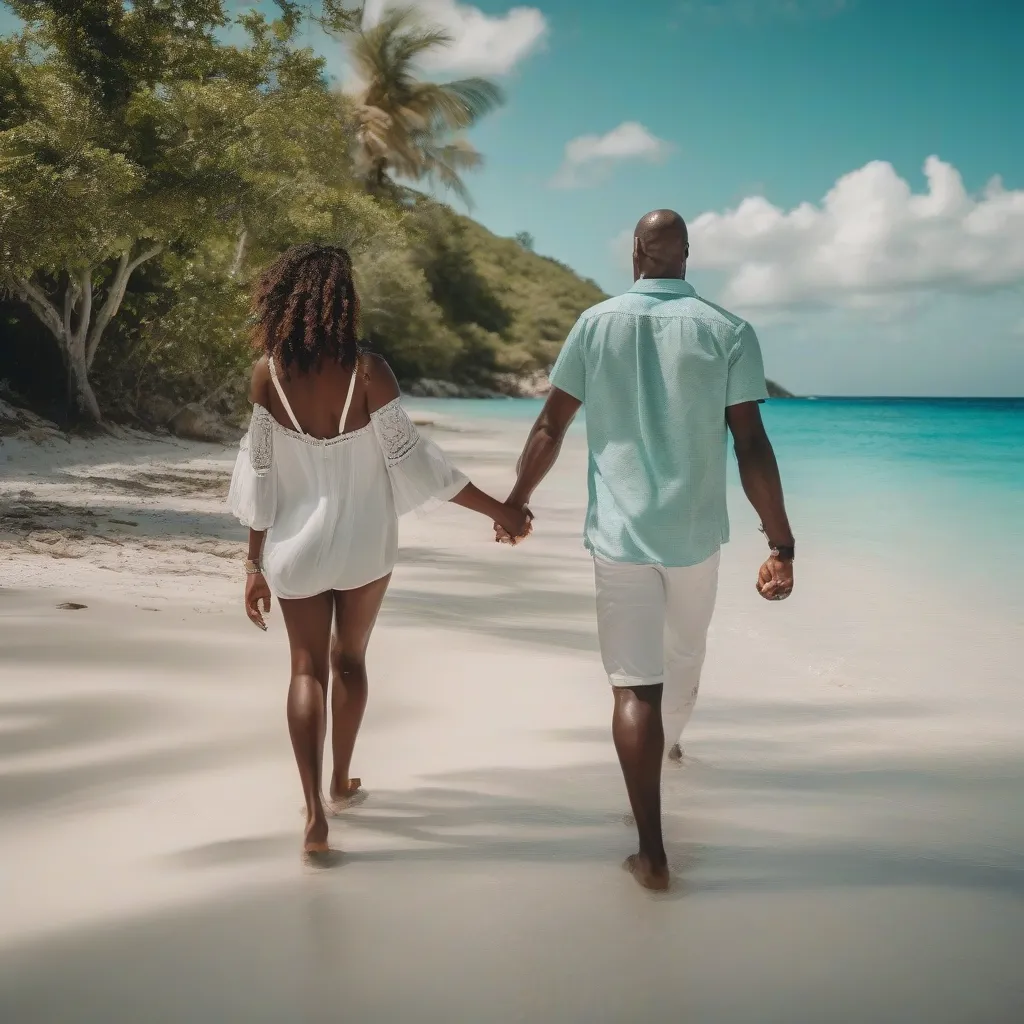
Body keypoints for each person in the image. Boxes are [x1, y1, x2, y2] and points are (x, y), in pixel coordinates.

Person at [496, 210, 795, 891]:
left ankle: (652, 852)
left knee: (635, 685)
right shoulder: (728, 330)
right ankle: (673, 746)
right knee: (685, 659)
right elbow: (751, 444)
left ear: (635, 254)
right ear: (687, 255)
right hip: (693, 537)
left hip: (620, 536)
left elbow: (551, 423)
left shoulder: (595, 324)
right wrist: (781, 542)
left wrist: (516, 502)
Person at [228, 242, 532, 857]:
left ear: (285, 298)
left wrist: (254, 563)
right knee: (350, 662)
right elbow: (415, 462)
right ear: (343, 300)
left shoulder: (268, 374)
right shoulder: (369, 372)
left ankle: (314, 812)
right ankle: (341, 780)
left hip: (294, 548)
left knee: (304, 668)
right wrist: (501, 510)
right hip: (365, 545)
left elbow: (259, 475)